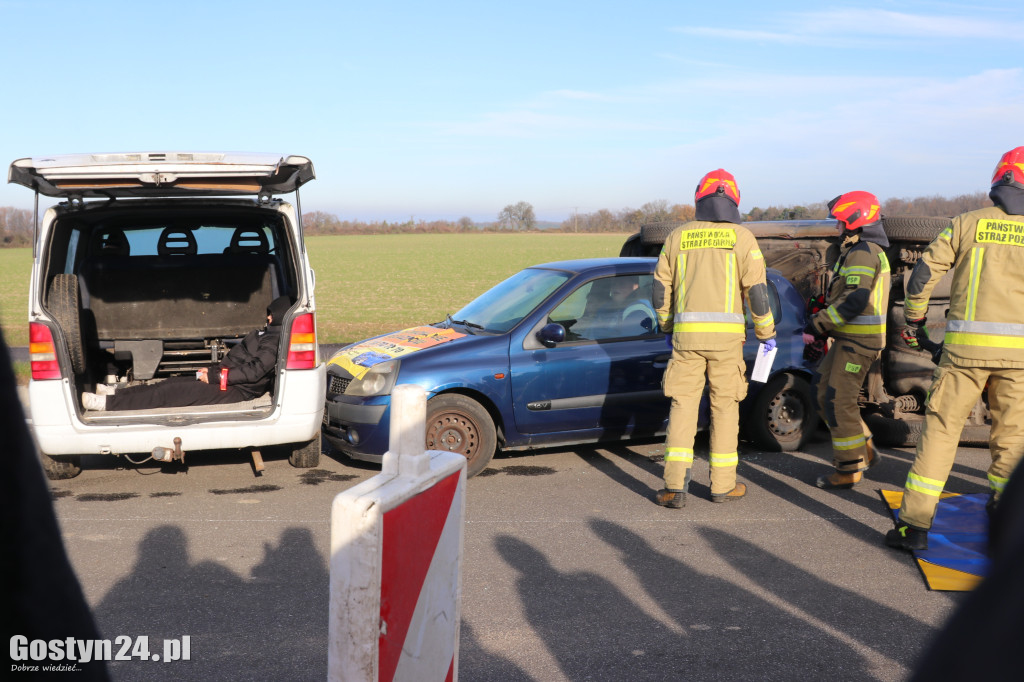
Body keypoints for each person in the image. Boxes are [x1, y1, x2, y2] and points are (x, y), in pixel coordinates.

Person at [887, 146, 1024, 551]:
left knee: (942, 433)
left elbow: (924, 273)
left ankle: (914, 527)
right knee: (1013, 438)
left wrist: (914, 319)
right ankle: (1006, 514)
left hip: (963, 356)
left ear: (999, 181)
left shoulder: (966, 223)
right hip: (1019, 359)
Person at [652, 169, 776, 508]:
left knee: (682, 408)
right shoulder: (743, 238)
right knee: (725, 410)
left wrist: (666, 326)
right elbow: (758, 293)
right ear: (733, 200)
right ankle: (723, 486)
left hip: (686, 341)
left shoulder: (677, 237)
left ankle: (674, 487)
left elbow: (661, 289)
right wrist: (767, 334)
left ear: (700, 198)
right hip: (727, 345)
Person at [803, 191, 890, 490]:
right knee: (820, 392)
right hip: (846, 338)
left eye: (840, 222)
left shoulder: (864, 252)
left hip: (858, 342)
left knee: (838, 401)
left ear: (855, 220)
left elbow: (855, 300)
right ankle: (863, 447)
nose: (837, 228)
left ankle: (849, 469)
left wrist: (817, 325)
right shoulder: (855, 251)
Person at [82, 296, 291, 411]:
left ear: (280, 316)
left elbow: (254, 372)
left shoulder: (273, 341)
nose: (268, 317)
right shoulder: (265, 334)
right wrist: (213, 370)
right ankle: (115, 393)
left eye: (271, 314)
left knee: (167, 395)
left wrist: (215, 376)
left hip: (237, 389)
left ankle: (105, 404)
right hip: (226, 378)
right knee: (167, 384)